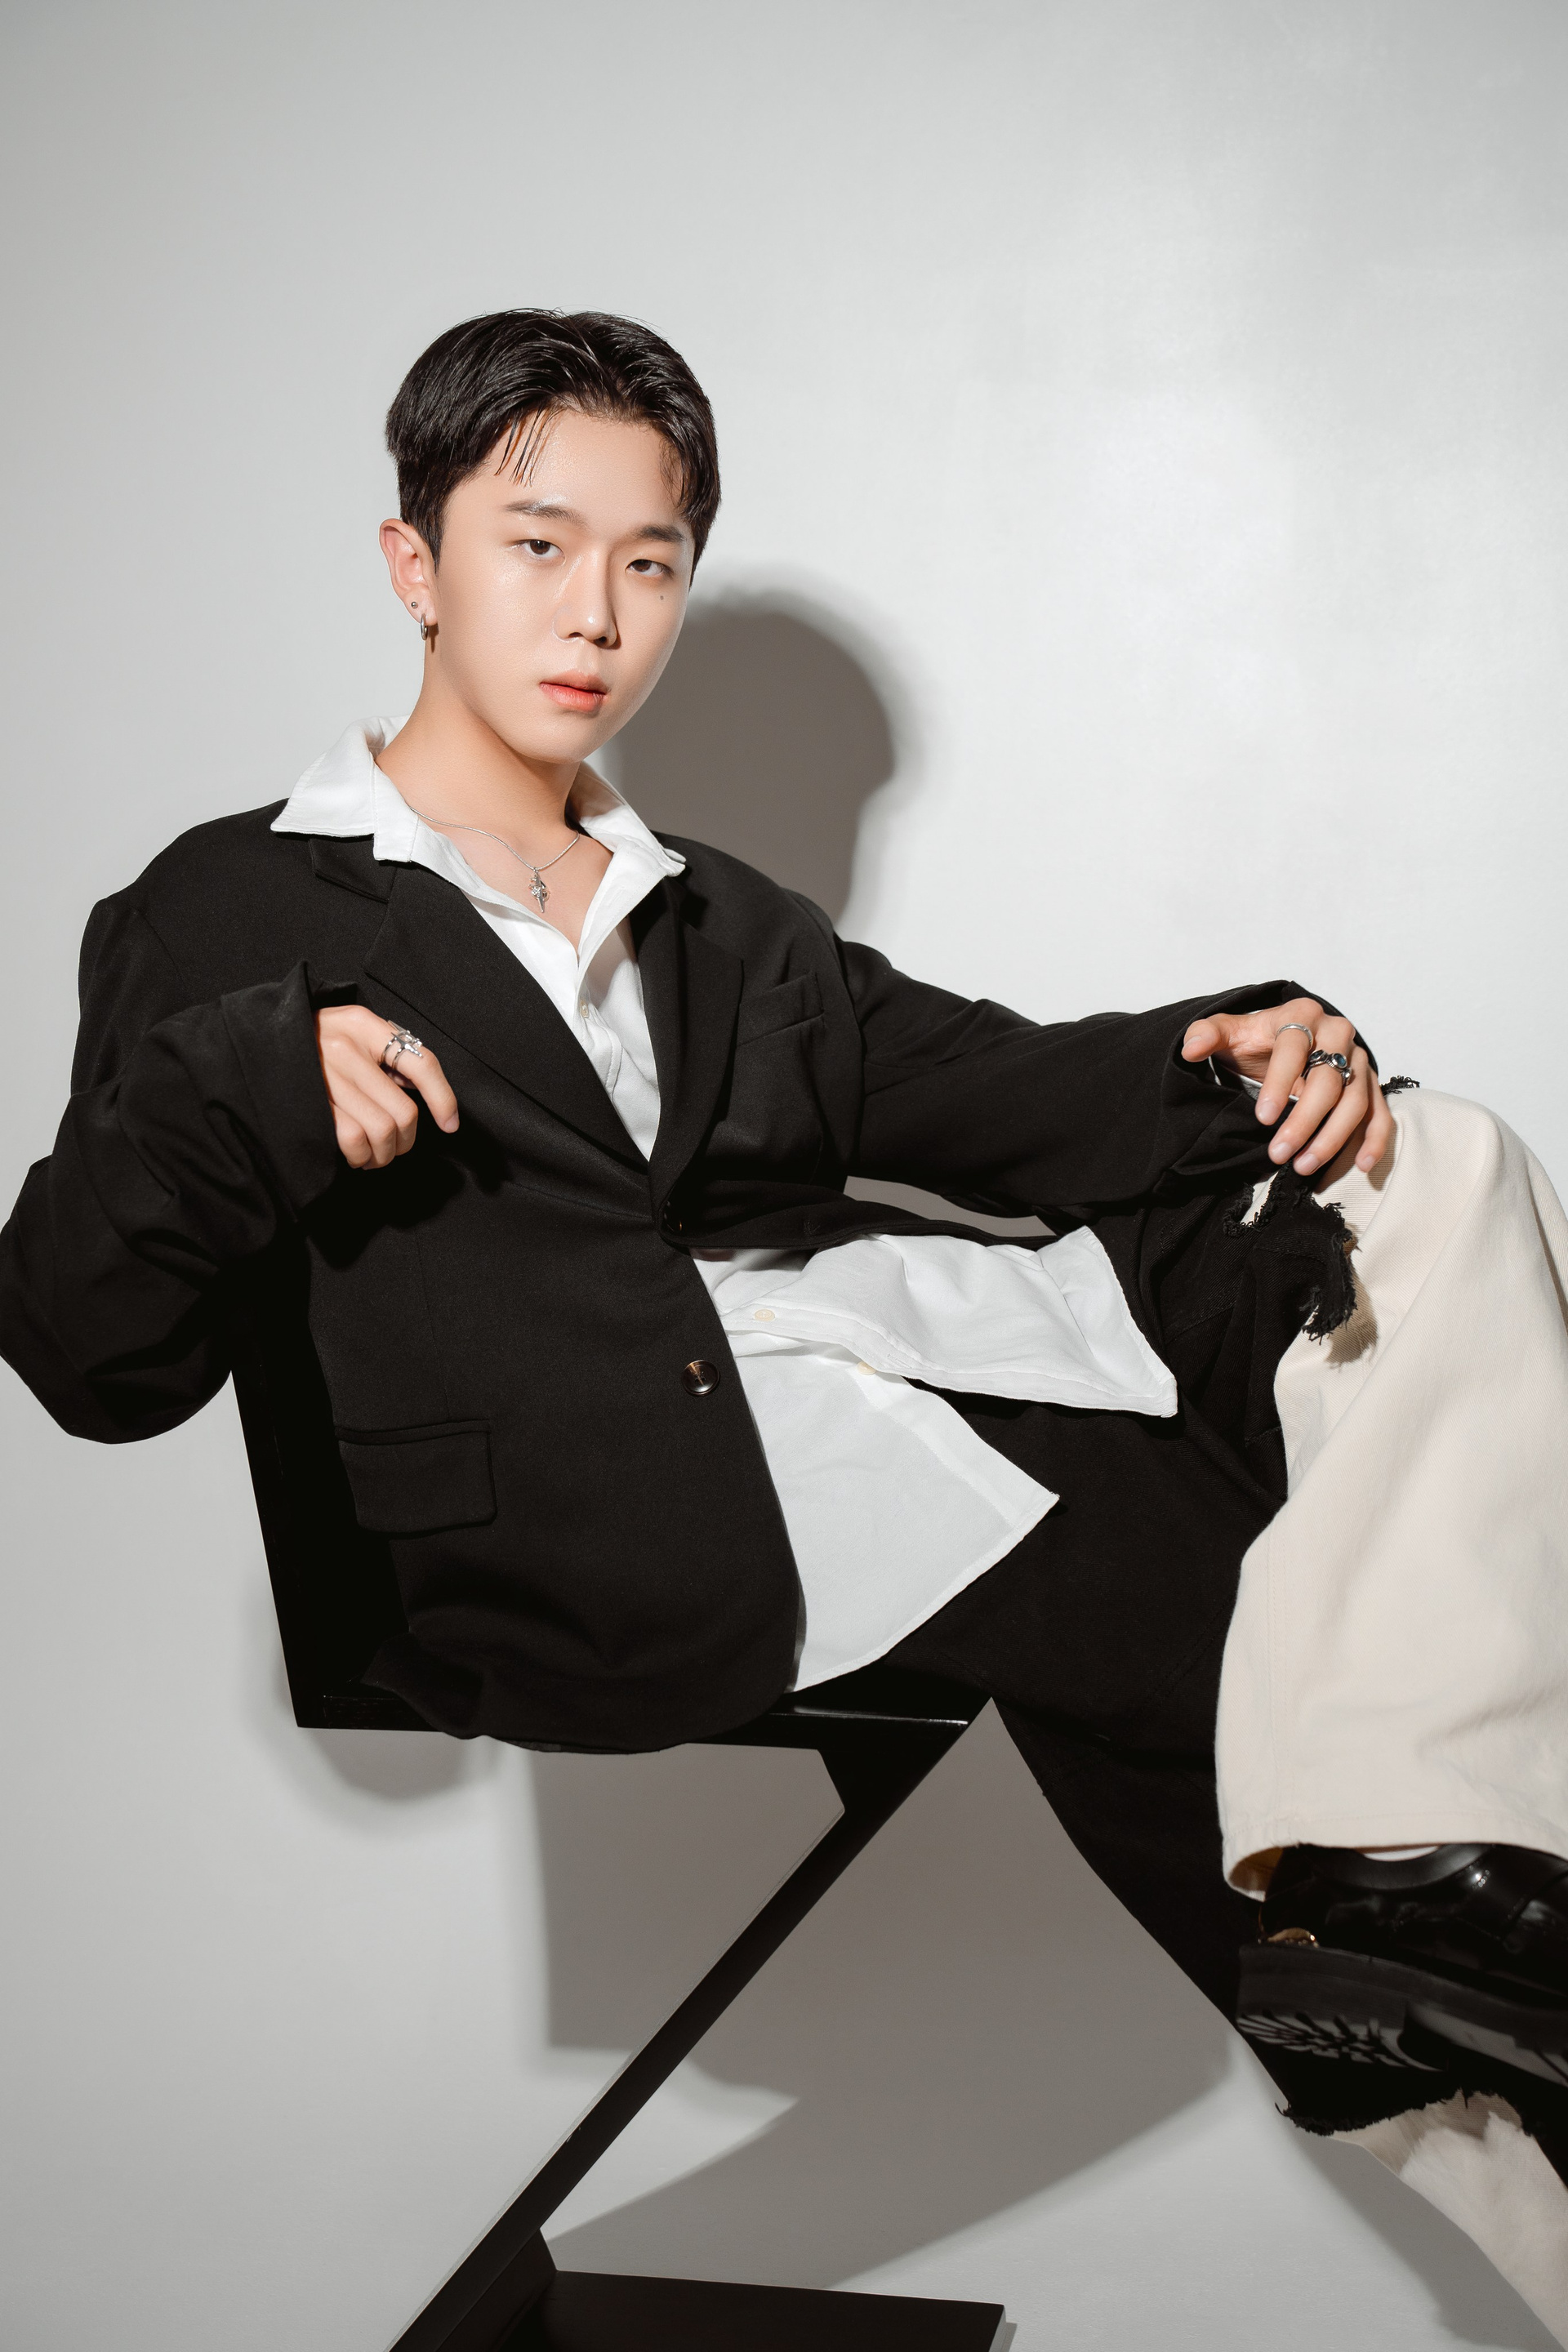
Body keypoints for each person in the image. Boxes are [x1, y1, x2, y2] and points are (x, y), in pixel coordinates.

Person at [5, 309, 1568, 2326]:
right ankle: (1406, 1928)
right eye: (537, 544)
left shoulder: (716, 916)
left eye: (650, 563)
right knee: (1181, 1580)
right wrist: (245, 1093)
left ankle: (1426, 1881)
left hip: (913, 1360)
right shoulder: (225, 909)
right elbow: (86, 1353)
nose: (597, 613)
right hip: (588, 1507)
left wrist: (1238, 1046)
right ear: (415, 563)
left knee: (1431, 1164)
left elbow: (986, 1088)